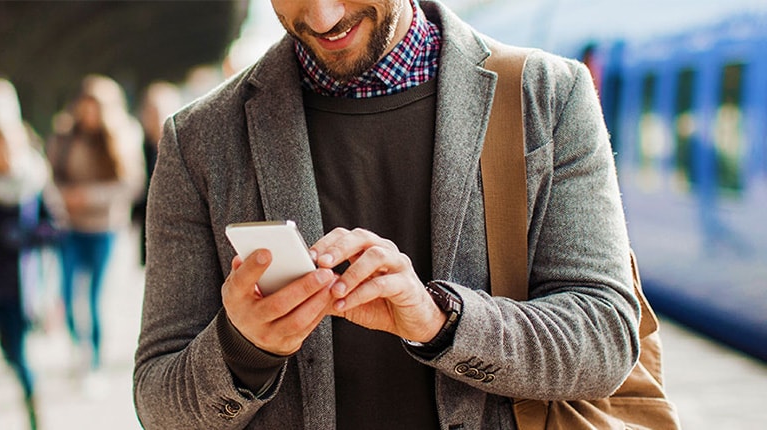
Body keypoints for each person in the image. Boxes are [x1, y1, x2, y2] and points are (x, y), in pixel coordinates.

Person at [133, 1, 640, 429]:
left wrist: (439, 321)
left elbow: (606, 338)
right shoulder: (198, 140)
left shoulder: (548, 95)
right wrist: (244, 349)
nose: (322, 15)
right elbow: (158, 403)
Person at [46, 74, 145, 385]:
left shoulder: (122, 136)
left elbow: (131, 185)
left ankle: (96, 360)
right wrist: (64, 197)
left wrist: (88, 197)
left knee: (95, 297)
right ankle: (80, 350)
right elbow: (50, 178)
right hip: (70, 227)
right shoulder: (64, 137)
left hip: (104, 228)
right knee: (67, 292)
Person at [0, 77, 49, 430]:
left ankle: (35, 412)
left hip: (14, 287)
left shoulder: (31, 182)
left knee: (18, 357)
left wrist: (21, 236)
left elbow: (53, 228)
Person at [133, 81, 182, 266]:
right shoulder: (139, 147)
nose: (155, 117)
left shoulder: (181, 147)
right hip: (147, 225)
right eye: (151, 111)